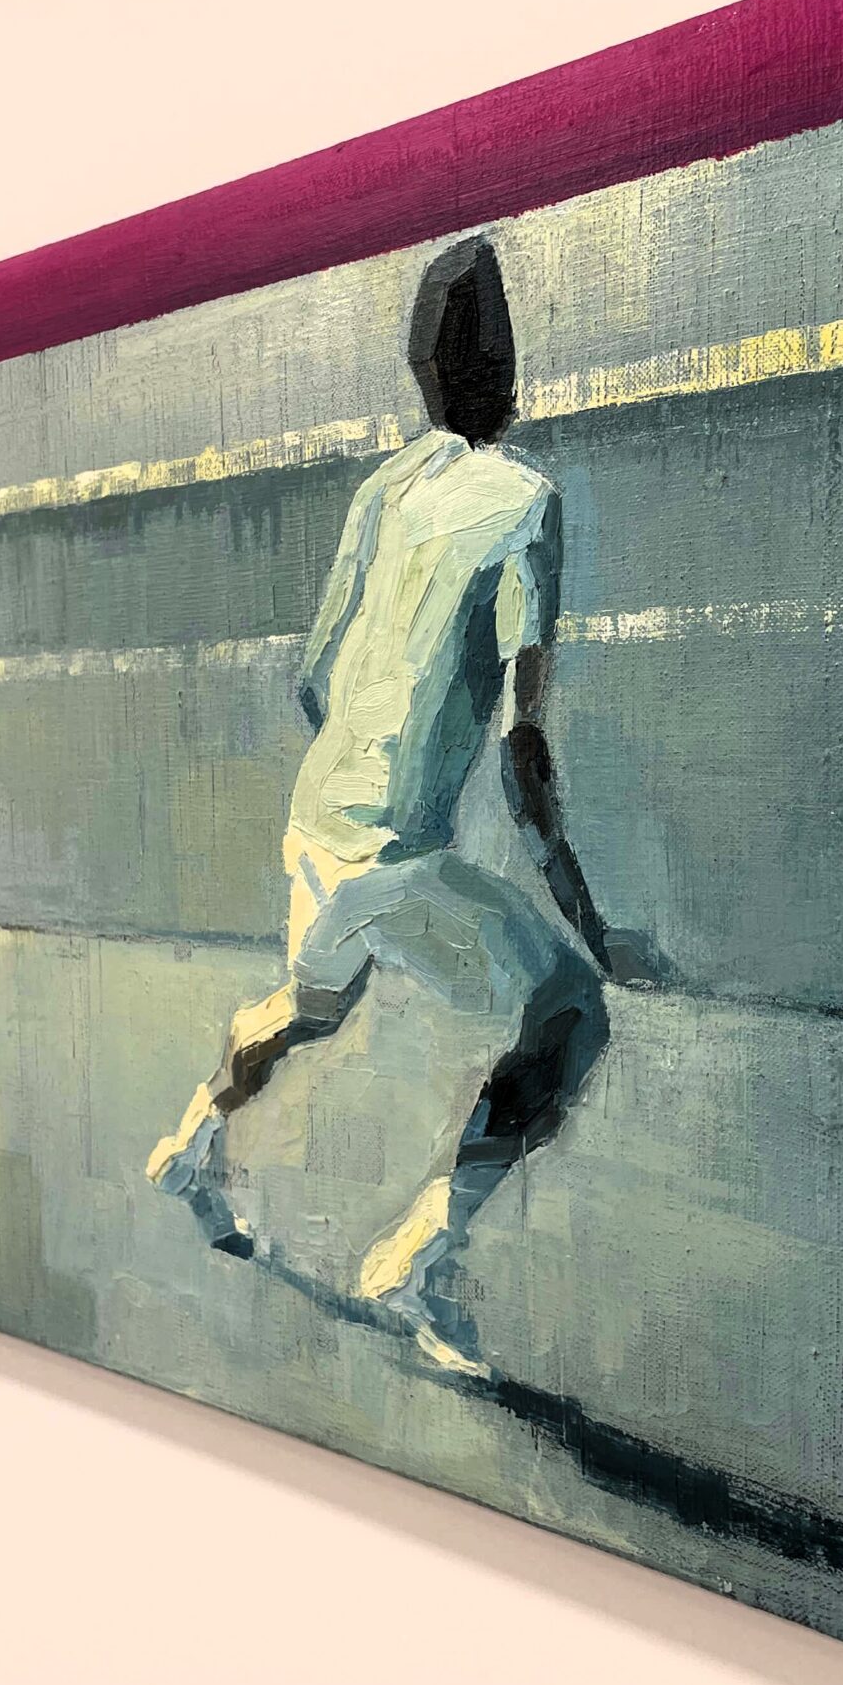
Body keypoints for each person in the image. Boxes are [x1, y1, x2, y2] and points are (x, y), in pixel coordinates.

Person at [146, 235, 612, 1379]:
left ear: (423, 374)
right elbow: (522, 744)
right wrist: (583, 913)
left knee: (312, 1001)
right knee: (570, 1014)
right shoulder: (528, 504)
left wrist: (371, 768)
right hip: (391, 858)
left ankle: (195, 1141)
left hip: (319, 822)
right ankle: (419, 1257)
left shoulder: (382, 491)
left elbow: (316, 675)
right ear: (508, 371)